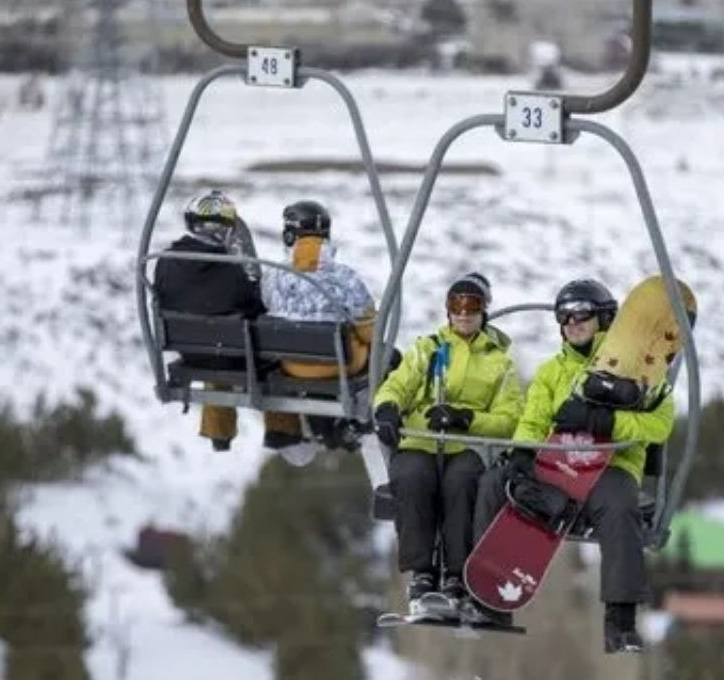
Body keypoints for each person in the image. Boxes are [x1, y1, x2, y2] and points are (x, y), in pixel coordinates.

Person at [471, 278, 673, 653]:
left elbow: (659, 426)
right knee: (491, 484)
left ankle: (620, 621)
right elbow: (532, 422)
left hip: (609, 465)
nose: (572, 323)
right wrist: (520, 454)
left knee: (619, 507)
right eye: (564, 317)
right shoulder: (552, 372)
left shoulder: (640, 369)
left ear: (606, 319)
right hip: (555, 463)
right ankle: (488, 601)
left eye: (582, 314)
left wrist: (606, 423)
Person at [373, 272, 524, 614]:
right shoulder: (427, 349)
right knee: (411, 475)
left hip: (468, 445)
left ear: (484, 310)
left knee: (461, 482)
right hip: (423, 437)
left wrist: (468, 419)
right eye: (456, 304)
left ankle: (458, 573)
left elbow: (510, 419)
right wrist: (387, 408)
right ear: (447, 310)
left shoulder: (499, 362)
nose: (463, 313)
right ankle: (422, 572)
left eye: (471, 305)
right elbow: (398, 384)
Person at [260, 200, 378, 461]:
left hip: (292, 365)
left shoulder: (272, 277)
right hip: (337, 367)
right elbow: (371, 332)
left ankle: (326, 429)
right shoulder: (344, 277)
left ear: (289, 235)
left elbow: (268, 310)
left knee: (312, 366)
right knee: (387, 357)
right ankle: (362, 423)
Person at [152, 190, 267, 451]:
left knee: (217, 340)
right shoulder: (231, 271)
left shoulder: (165, 263)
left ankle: (219, 433)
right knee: (263, 345)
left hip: (189, 350)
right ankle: (282, 431)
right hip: (231, 353)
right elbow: (254, 307)